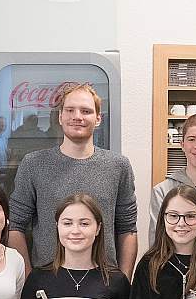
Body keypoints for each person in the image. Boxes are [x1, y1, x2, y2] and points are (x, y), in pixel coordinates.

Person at [8, 83, 139, 277]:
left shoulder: (118, 166)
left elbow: (128, 228)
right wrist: (29, 278)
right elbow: (15, 226)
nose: (77, 116)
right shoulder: (33, 164)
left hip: (104, 281)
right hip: (48, 280)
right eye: (70, 110)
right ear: (60, 117)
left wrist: (123, 281)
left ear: (98, 119)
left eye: (86, 111)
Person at [19, 194, 133, 299]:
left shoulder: (117, 281)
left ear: (98, 228)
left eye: (84, 223)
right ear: (57, 227)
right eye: (67, 223)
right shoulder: (37, 278)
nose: (75, 231)